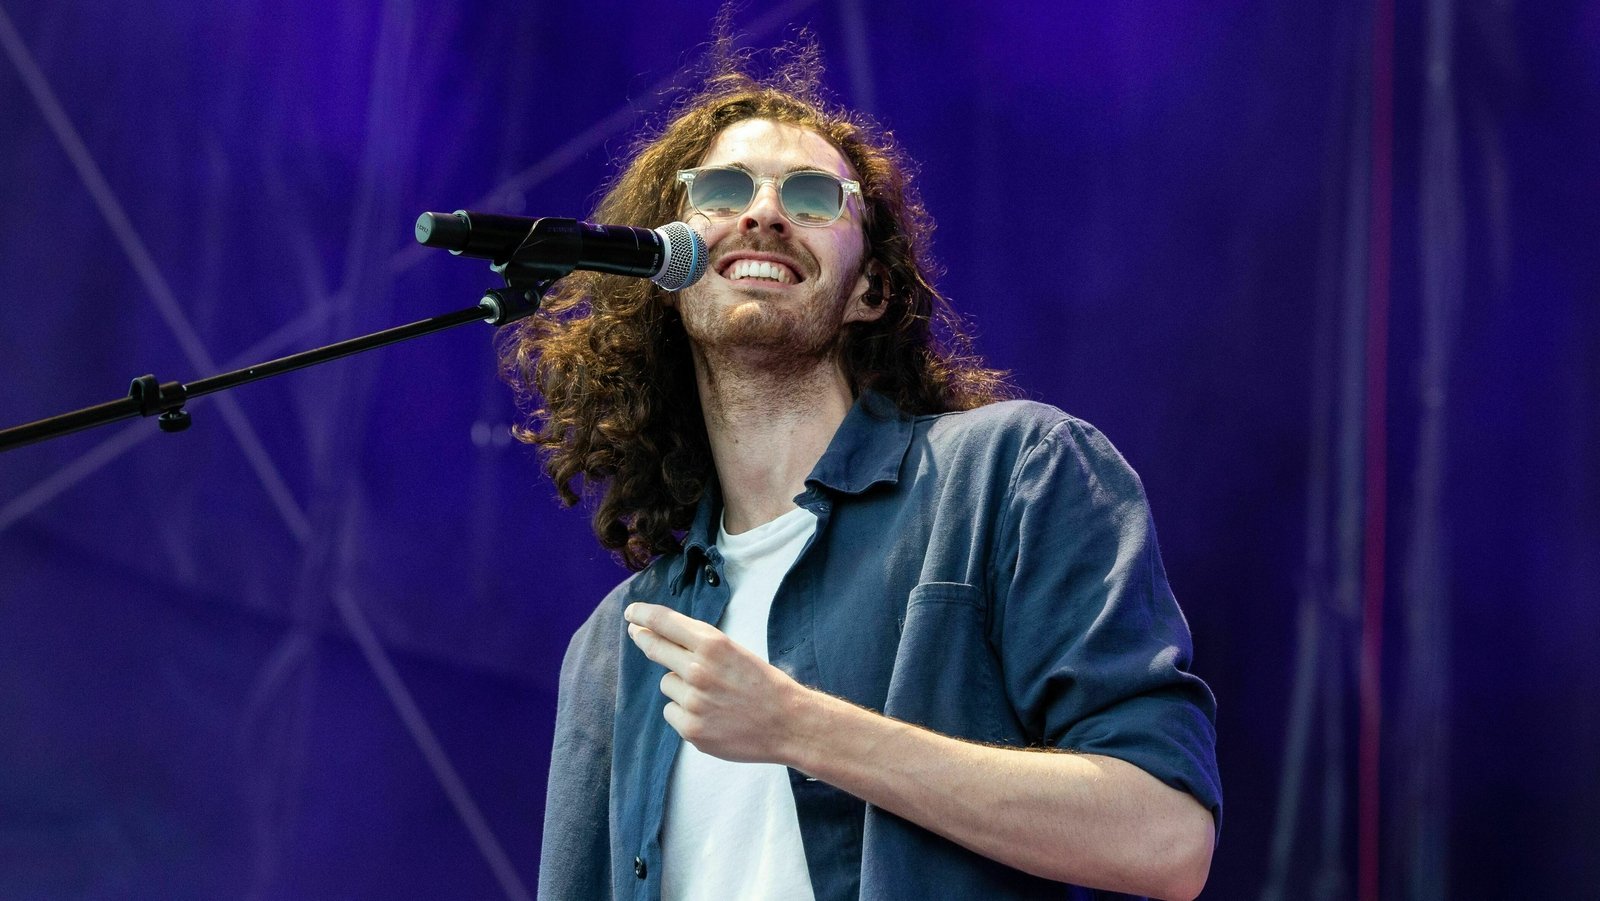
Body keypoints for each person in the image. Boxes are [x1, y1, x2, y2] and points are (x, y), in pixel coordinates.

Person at [501, 47, 1221, 901]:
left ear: (869, 289)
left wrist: (801, 727)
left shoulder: (1009, 475)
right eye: (724, 192)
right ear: (668, 270)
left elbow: (1166, 837)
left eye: (811, 197)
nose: (764, 214)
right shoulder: (616, 645)